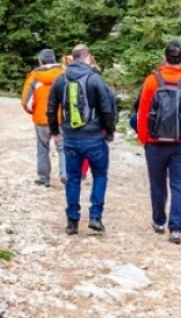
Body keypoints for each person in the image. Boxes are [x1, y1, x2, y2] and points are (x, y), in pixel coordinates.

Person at [136, 39, 181, 245]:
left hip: (154, 141)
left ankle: (158, 220)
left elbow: (143, 111)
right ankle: (175, 229)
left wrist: (143, 137)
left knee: (157, 183)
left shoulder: (152, 81)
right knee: (179, 186)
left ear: (164, 58)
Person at [47, 45, 116, 235]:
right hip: (94, 138)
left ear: (72, 58)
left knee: (73, 179)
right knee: (100, 175)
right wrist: (109, 132)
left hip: (70, 138)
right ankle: (95, 216)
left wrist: (55, 131)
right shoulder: (95, 79)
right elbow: (107, 108)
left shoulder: (61, 80)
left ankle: (72, 221)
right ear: (88, 58)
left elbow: (51, 109)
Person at [21, 48, 66, 187]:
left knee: (42, 148)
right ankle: (65, 174)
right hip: (60, 119)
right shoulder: (65, 74)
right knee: (63, 148)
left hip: (41, 119)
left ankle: (43, 178)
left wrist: (33, 111)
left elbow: (26, 102)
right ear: (54, 59)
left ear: (40, 61)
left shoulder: (34, 77)